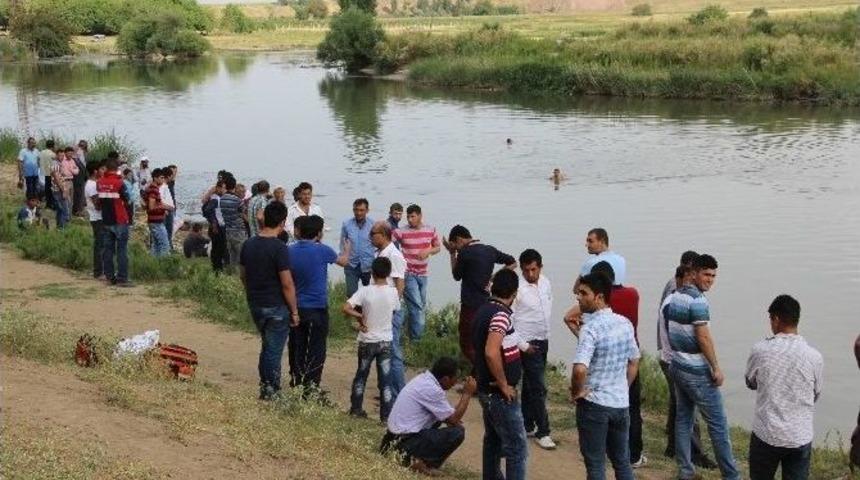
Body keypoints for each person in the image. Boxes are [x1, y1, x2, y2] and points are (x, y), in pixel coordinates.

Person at [665, 254, 740, 480]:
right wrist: (715, 367)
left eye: (714, 276)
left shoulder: (676, 295)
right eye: (706, 274)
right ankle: (731, 475)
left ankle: (685, 471)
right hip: (696, 371)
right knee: (718, 425)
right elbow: (703, 336)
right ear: (694, 272)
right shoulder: (698, 301)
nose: (710, 280)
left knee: (683, 419)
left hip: (678, 365)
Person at [745, 295, 823, 480]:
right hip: (799, 436)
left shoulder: (761, 350)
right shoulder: (815, 357)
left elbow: (750, 382)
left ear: (776, 319)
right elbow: (816, 393)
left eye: (770, 319)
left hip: (767, 433)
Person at [570, 272, 640, 480]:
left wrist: (577, 392)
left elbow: (580, 369)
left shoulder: (590, 329)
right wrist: (622, 387)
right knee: (622, 462)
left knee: (596, 465)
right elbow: (634, 361)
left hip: (595, 405)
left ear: (599, 297)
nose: (578, 297)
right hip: (620, 404)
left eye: (584, 293)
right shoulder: (624, 323)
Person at [658, 253, 717, 469]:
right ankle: (696, 455)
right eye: (700, 273)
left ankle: (674, 448)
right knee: (693, 413)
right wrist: (713, 366)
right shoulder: (679, 295)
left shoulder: (675, 292)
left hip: (670, 357)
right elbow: (696, 335)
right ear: (688, 273)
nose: (700, 279)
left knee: (680, 406)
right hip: (677, 359)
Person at [239, 201, 299, 400]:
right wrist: (294, 311)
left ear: (264, 218)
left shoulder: (248, 244)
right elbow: (287, 283)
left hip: (256, 303)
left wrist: (250, 293)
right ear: (283, 222)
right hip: (275, 305)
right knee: (273, 350)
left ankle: (265, 386)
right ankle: (271, 389)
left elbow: (243, 275)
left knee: (267, 346)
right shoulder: (280, 248)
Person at [472, 268, 528, 480]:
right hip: (499, 394)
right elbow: (491, 351)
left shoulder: (483, 310)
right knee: (517, 448)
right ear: (514, 293)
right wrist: (504, 384)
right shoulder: (500, 315)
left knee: (493, 441)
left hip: (487, 389)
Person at [382, 357, 477, 475]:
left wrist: (453, 419)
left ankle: (414, 458)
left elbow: (449, 416)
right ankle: (423, 463)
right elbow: (454, 419)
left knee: (439, 419)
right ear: (445, 379)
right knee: (457, 432)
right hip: (403, 443)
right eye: (455, 379)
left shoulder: (424, 379)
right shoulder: (432, 390)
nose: (455, 383)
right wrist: (467, 394)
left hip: (391, 440)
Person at [287, 215, 350, 392]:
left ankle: (296, 380)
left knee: (297, 345)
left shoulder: (289, 250)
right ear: (319, 233)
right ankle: (312, 386)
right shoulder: (323, 250)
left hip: (295, 307)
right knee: (316, 349)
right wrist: (347, 250)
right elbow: (343, 262)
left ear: (299, 232)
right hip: (317, 307)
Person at [443, 225, 516, 366]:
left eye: (455, 246)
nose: (457, 249)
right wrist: (494, 277)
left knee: (467, 344)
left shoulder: (465, 253)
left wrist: (452, 254)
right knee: (482, 341)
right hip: (487, 305)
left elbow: (456, 276)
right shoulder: (490, 250)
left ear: (459, 240)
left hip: (470, 306)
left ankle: (481, 373)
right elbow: (513, 263)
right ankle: (480, 374)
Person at [343, 257, 399, 420]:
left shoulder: (365, 291)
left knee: (361, 376)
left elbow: (346, 308)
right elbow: (394, 311)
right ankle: (386, 415)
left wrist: (360, 316)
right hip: (385, 341)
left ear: (372, 273)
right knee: (385, 382)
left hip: (367, 340)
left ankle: (356, 409)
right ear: (388, 274)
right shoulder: (393, 292)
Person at [510, 249, 555, 450]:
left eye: (534, 269)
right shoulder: (517, 289)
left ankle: (527, 424)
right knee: (538, 387)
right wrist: (523, 345)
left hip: (543, 339)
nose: (530, 274)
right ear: (521, 269)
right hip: (526, 343)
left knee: (530, 385)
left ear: (540, 267)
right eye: (526, 270)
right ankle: (543, 431)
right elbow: (509, 321)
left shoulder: (545, 283)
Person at [392, 204, 441, 341]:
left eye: (412, 216)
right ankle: (417, 340)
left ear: (420, 216)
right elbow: (386, 242)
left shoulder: (430, 230)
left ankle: (409, 334)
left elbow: (438, 247)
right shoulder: (401, 231)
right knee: (417, 306)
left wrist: (428, 251)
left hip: (423, 274)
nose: (409, 219)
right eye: (408, 217)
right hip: (408, 273)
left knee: (419, 306)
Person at [371, 222, 408, 395]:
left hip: (391, 310)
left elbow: (400, 283)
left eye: (373, 233)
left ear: (384, 235)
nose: (370, 236)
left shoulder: (394, 255)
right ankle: (387, 390)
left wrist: (393, 308)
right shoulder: (379, 253)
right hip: (381, 309)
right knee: (384, 351)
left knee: (393, 353)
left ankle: (398, 392)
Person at [97, 153, 133, 287]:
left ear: (106, 168)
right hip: (120, 219)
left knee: (108, 250)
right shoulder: (119, 183)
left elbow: (99, 202)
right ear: (117, 168)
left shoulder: (100, 183)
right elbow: (128, 200)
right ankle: (122, 278)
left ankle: (109, 277)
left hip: (106, 220)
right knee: (122, 250)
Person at [340, 198, 375, 297]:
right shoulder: (346, 224)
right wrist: (343, 258)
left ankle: (366, 312)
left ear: (367, 210)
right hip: (351, 264)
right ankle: (355, 311)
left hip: (368, 265)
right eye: (356, 210)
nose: (358, 213)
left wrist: (377, 261)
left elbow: (377, 244)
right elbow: (342, 243)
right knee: (351, 293)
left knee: (369, 295)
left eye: (361, 210)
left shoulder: (373, 225)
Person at [220, 175, 247, 274]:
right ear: (234, 186)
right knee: (241, 255)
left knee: (232, 255)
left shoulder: (222, 199)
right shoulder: (237, 200)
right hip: (239, 229)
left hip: (228, 229)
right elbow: (243, 213)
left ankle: (232, 274)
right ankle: (241, 275)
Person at [85, 162, 106, 279]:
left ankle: (99, 270)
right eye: (101, 169)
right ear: (95, 171)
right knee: (100, 245)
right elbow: (97, 204)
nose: (103, 171)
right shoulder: (92, 185)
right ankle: (98, 272)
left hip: (98, 217)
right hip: (97, 217)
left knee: (101, 244)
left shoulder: (95, 183)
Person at [202, 180, 228, 273]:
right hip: (218, 227)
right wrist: (213, 223)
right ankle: (218, 268)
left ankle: (217, 267)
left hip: (217, 226)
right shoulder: (215, 199)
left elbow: (205, 209)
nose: (225, 190)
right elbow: (208, 210)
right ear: (218, 188)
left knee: (217, 248)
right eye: (223, 188)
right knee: (219, 248)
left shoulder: (214, 198)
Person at [145, 168, 172, 257]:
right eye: (161, 177)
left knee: (156, 245)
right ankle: (163, 265)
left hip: (154, 221)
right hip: (156, 222)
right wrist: (164, 207)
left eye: (163, 178)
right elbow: (151, 206)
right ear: (155, 178)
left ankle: (154, 265)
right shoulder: (153, 189)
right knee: (165, 245)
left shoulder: (151, 188)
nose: (162, 179)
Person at [50, 148, 73, 229]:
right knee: (64, 209)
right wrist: (63, 190)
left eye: (63, 155)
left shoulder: (58, 164)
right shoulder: (55, 164)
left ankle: (59, 227)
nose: (62, 157)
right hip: (58, 190)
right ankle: (62, 227)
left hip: (59, 189)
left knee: (60, 210)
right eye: (60, 155)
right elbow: (56, 179)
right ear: (56, 155)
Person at [163, 165, 178, 249]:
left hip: (171, 207)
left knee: (170, 227)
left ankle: (169, 245)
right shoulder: (165, 184)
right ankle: (167, 246)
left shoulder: (171, 182)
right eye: (173, 172)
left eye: (175, 172)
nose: (174, 174)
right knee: (167, 227)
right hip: (166, 208)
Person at [38, 139, 56, 209]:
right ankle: (51, 203)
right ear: (53, 146)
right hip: (51, 173)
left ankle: (48, 204)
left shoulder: (41, 152)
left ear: (46, 145)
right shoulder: (52, 154)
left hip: (44, 172)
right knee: (52, 189)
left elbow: (38, 160)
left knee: (47, 188)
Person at [72, 141, 88, 216]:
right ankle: (78, 210)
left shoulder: (81, 153)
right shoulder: (78, 155)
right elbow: (81, 166)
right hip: (79, 176)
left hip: (80, 175)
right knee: (79, 193)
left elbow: (83, 165)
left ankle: (77, 209)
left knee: (79, 193)